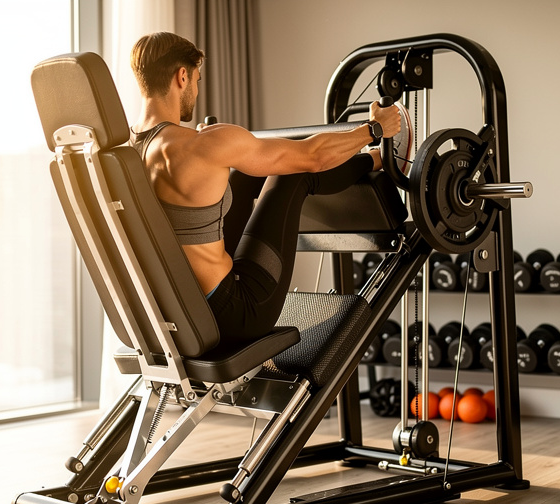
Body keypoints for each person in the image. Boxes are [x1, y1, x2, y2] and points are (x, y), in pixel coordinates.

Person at [129, 32, 401, 345]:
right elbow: (312, 157)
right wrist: (374, 129)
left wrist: (221, 145)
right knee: (293, 173)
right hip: (237, 312)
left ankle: (374, 159)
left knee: (243, 176)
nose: (196, 89)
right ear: (182, 76)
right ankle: (379, 160)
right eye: (197, 79)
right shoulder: (200, 146)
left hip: (181, 311)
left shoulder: (127, 152)